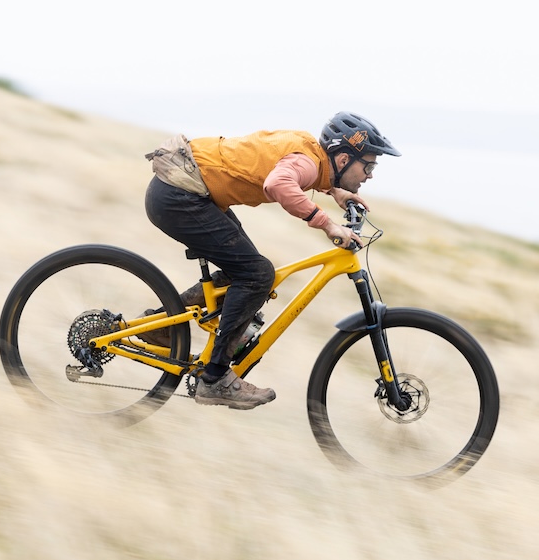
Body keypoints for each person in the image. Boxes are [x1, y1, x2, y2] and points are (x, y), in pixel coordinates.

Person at [144, 111, 400, 409]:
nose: (370, 175)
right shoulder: (307, 161)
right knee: (256, 275)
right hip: (179, 196)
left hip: (182, 191)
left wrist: (334, 191)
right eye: (368, 166)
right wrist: (328, 224)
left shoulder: (310, 153)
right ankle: (214, 379)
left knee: (245, 272)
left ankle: (159, 327)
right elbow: (278, 183)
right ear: (343, 160)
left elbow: (297, 168)